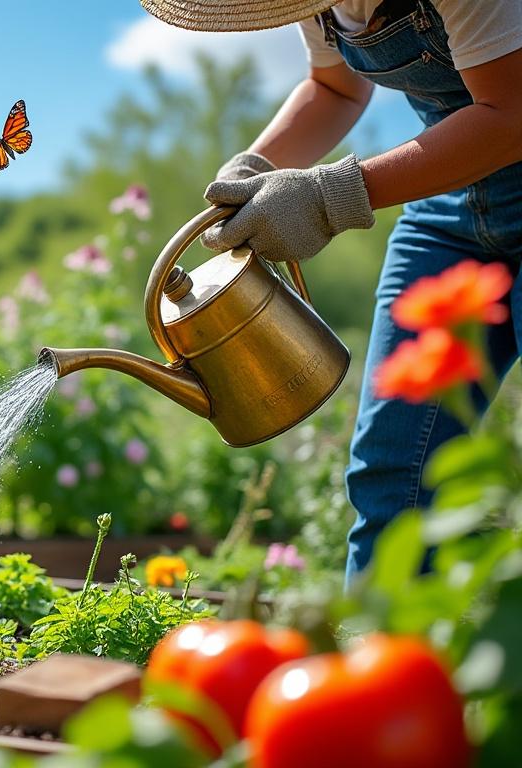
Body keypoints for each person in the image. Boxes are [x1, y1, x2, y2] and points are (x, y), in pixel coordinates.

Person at [138, 1, 522, 580]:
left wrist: (328, 195)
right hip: (451, 214)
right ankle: (378, 656)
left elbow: (510, 114)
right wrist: (256, 167)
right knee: (395, 467)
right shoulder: (315, 2)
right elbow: (335, 89)